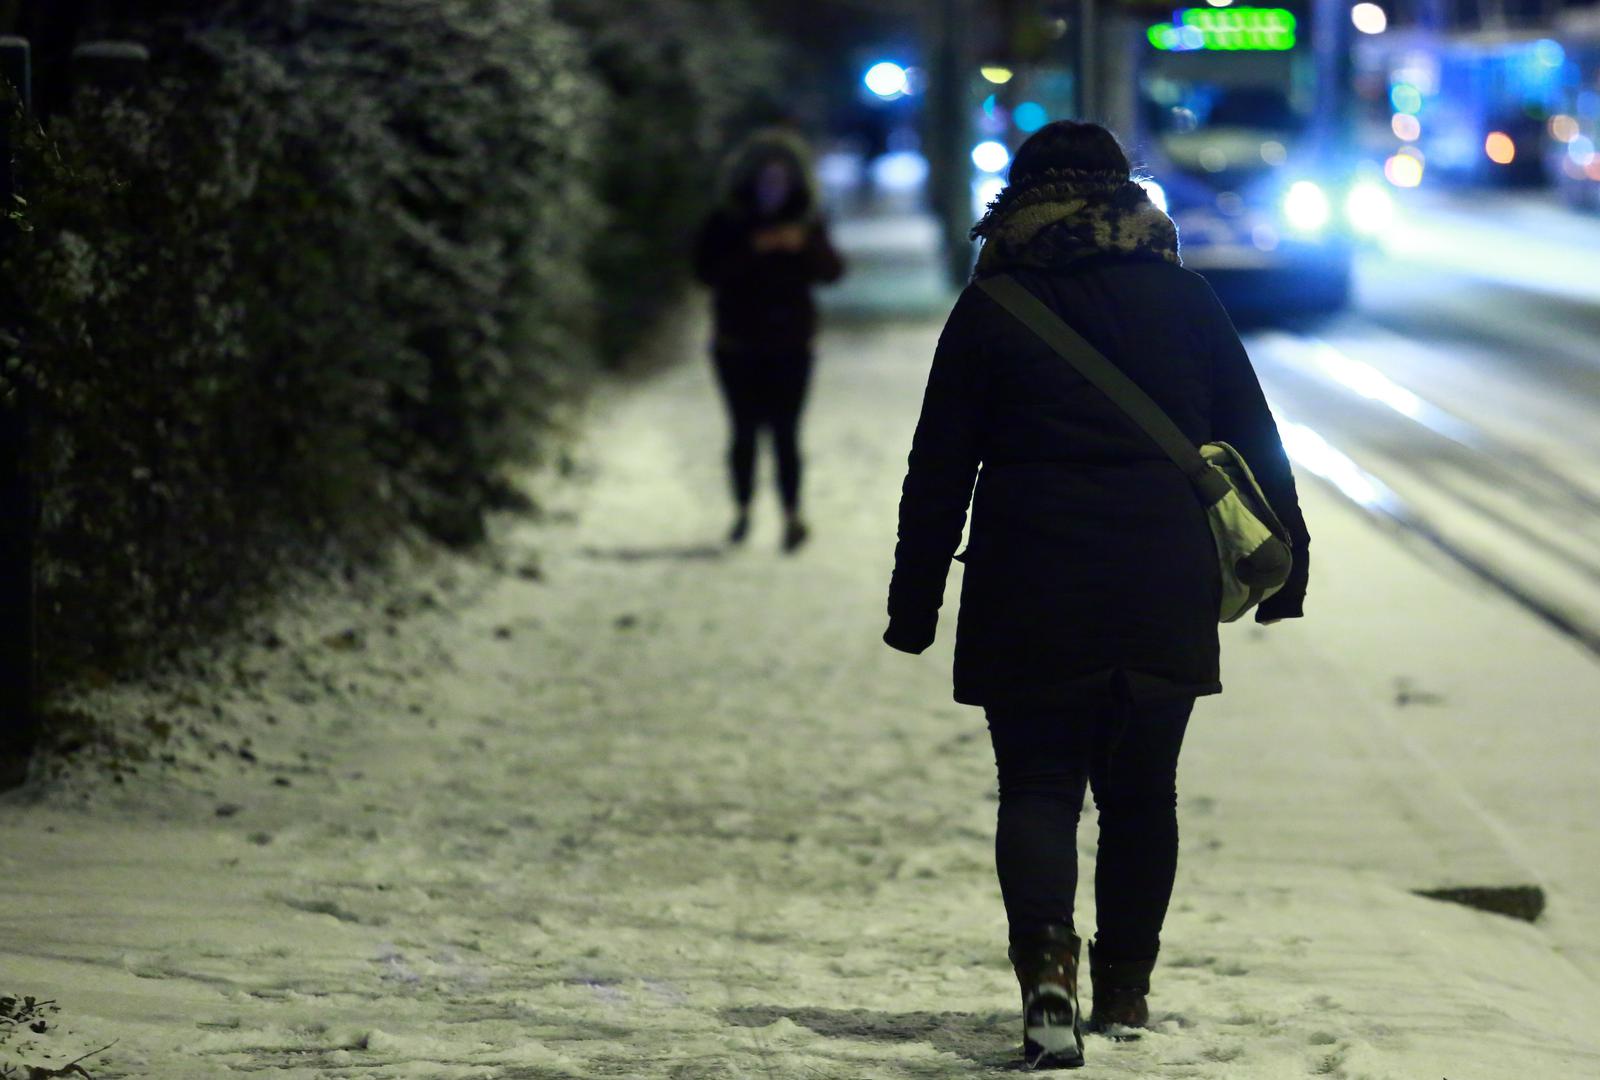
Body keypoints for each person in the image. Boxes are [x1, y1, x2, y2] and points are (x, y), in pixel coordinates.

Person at [882, 121, 1310, 1070]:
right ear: (1128, 198)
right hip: (1162, 579)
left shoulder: (993, 305)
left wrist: (915, 601)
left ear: (1018, 205)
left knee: (1036, 787)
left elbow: (938, 467)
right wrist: (1292, 568)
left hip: (1029, 579)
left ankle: (1045, 979)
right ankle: (1125, 992)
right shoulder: (1188, 299)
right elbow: (1256, 438)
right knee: (1141, 794)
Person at [693, 129, 845, 552]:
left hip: (792, 344)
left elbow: (833, 271)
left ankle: (792, 515)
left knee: (786, 433)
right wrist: (752, 249)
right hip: (736, 343)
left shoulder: (807, 220)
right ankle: (743, 510)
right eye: (765, 181)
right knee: (743, 430)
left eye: (780, 181)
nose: (772, 190)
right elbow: (705, 272)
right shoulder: (726, 221)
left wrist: (805, 246)